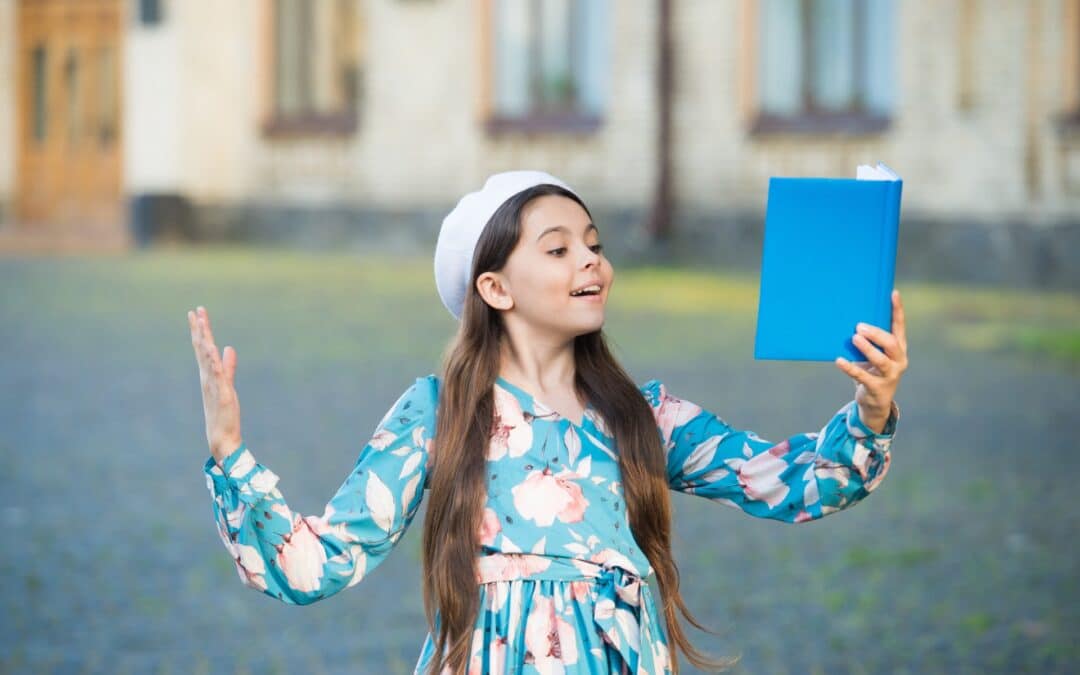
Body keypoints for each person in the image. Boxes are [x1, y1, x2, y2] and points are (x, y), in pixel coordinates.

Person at [189, 170, 907, 675]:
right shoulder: (439, 415)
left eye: (593, 243)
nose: (591, 259)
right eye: (558, 248)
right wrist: (229, 454)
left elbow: (794, 482)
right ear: (494, 287)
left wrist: (871, 409)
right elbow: (315, 562)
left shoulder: (643, 416)